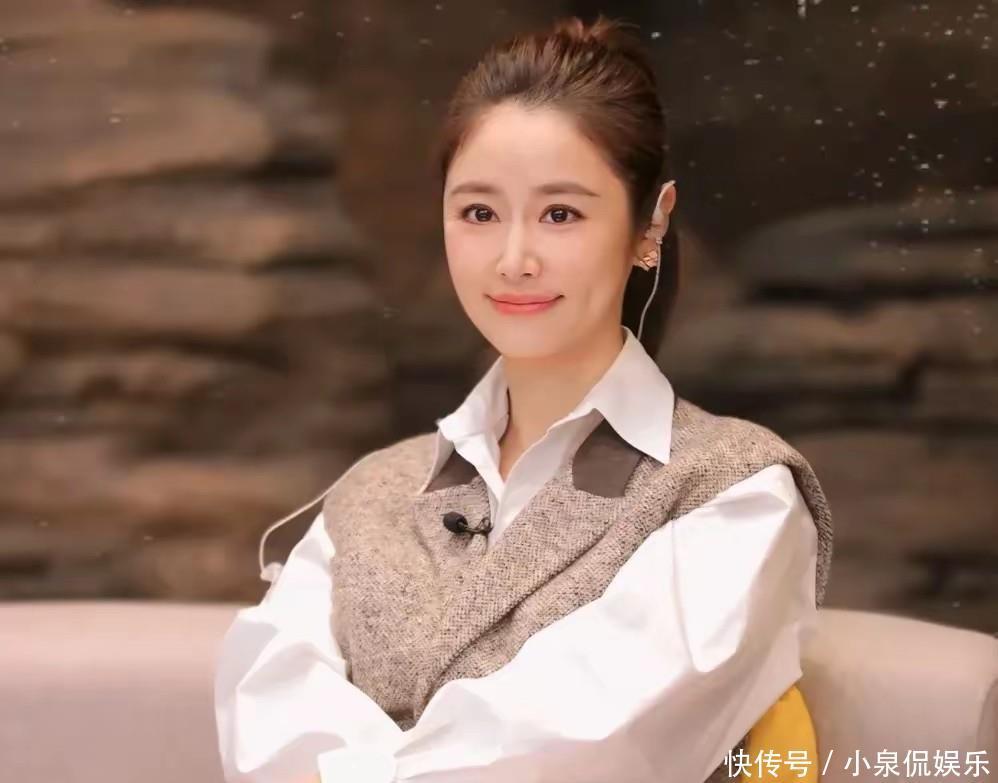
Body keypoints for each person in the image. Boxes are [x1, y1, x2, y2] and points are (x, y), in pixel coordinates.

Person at [213, 14, 833, 783]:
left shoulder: (738, 495)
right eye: (479, 212)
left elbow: (581, 751)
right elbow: (264, 716)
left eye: (560, 214)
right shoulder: (369, 493)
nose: (513, 259)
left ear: (652, 223)